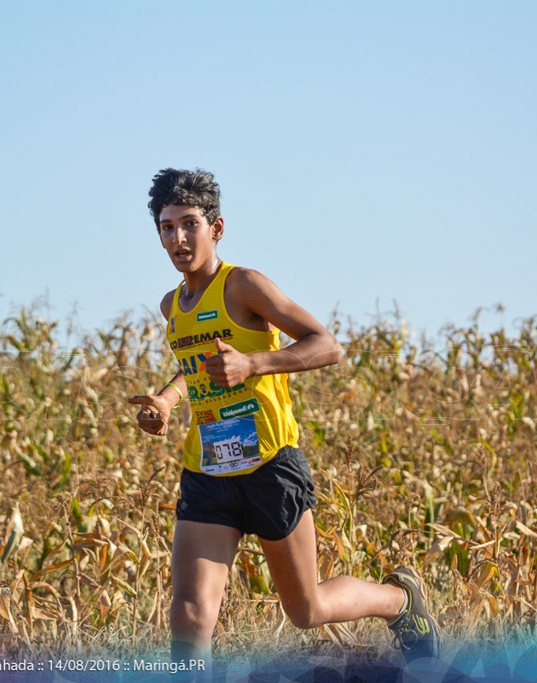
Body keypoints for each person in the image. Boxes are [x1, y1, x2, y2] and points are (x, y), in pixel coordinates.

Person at [127, 168, 440, 666]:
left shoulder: (244, 285)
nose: (178, 238)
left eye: (189, 224)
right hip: (208, 470)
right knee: (189, 615)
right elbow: (197, 367)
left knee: (306, 609)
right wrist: (166, 400)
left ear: (217, 228)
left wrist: (252, 363)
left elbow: (327, 345)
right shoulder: (173, 305)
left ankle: (400, 602)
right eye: (167, 227)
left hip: (270, 464)